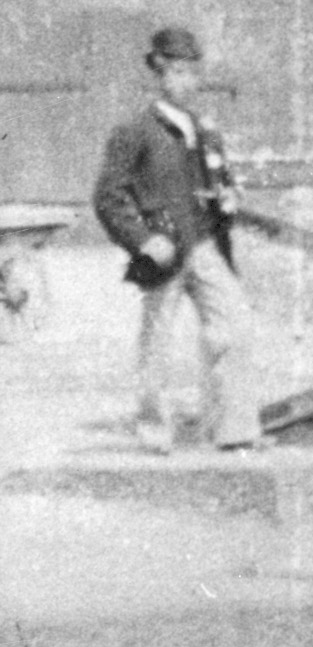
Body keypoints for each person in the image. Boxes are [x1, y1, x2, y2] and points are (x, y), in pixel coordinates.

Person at [91, 23, 261, 453]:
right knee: (157, 345)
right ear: (159, 75)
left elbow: (217, 180)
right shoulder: (136, 129)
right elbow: (108, 197)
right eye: (176, 73)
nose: (186, 82)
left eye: (192, 73)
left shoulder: (204, 129)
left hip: (205, 244)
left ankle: (232, 429)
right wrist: (142, 240)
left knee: (235, 327)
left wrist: (227, 194)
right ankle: (153, 433)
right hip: (164, 250)